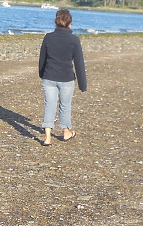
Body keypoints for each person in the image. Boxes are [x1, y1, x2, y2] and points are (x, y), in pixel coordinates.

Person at [38, 9, 87, 146]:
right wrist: (83, 85)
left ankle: (47, 138)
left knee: (50, 105)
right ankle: (66, 132)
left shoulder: (48, 37)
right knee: (65, 106)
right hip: (66, 79)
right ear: (69, 24)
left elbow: (42, 59)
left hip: (49, 77)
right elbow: (79, 64)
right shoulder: (74, 40)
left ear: (56, 22)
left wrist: (41, 74)